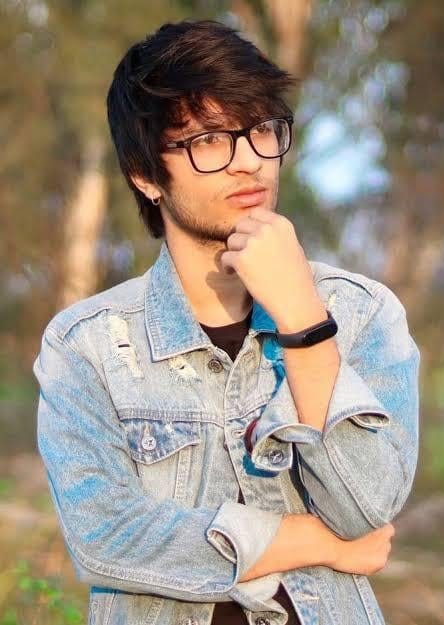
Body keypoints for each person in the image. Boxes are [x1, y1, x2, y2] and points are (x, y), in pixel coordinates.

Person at [33, 19, 420, 625]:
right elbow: (104, 537)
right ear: (144, 174)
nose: (249, 163)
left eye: (261, 130)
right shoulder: (87, 345)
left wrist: (304, 323)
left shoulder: (361, 313)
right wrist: (311, 541)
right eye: (209, 140)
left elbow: (366, 510)